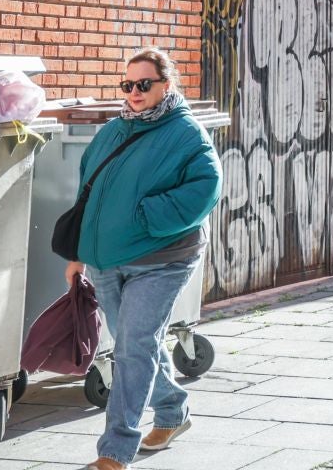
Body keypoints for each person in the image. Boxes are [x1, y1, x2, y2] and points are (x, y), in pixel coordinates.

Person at [66, 50, 221, 470]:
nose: (134, 93)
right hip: (108, 258)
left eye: (144, 84)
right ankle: (172, 410)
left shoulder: (186, 132)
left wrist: (144, 218)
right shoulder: (113, 131)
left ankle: (115, 449)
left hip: (163, 258)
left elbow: (207, 185)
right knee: (135, 344)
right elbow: (87, 193)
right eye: (128, 85)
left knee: (133, 347)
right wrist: (79, 253)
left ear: (166, 86)